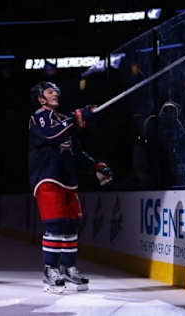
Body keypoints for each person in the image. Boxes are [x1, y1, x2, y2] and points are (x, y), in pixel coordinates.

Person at [28, 81, 113, 293]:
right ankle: (51, 270)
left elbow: (75, 151)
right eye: (49, 91)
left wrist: (95, 165)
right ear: (41, 99)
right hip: (48, 178)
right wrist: (76, 118)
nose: (55, 93)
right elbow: (52, 135)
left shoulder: (63, 120)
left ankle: (68, 268)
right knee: (56, 225)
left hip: (67, 178)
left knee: (71, 225)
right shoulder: (39, 117)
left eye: (56, 90)